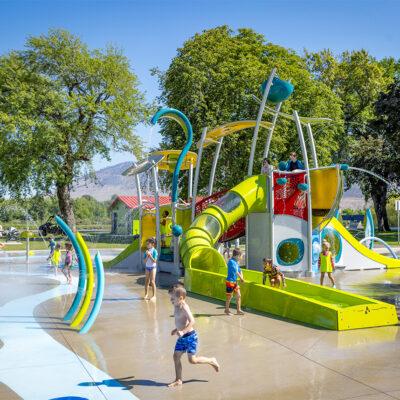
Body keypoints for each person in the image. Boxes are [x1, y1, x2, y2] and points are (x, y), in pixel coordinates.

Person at [168, 285, 220, 387]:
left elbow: (192, 321)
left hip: (190, 337)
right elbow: (181, 321)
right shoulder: (176, 306)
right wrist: (176, 329)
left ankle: (211, 360)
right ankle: (178, 379)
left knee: (192, 360)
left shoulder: (184, 307)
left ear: (181, 298)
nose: (170, 300)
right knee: (176, 356)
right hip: (182, 337)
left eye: (172, 298)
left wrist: (182, 332)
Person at [225, 248, 245, 315]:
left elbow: (239, 270)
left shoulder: (236, 263)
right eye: (241, 256)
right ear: (238, 256)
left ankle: (238, 310)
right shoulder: (231, 262)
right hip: (230, 282)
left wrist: (242, 276)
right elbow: (236, 271)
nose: (241, 258)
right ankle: (227, 310)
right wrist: (241, 278)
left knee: (239, 295)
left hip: (235, 282)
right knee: (229, 296)